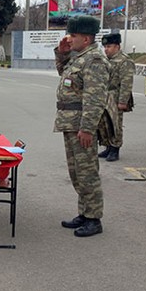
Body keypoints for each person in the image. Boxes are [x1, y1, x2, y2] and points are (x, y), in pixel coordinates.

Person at [53, 16, 110, 238]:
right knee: (77, 172)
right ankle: (85, 213)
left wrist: (87, 128)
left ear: (86, 39)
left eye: (74, 36)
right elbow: (64, 74)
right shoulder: (80, 57)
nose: (70, 38)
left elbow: (94, 98)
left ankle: (94, 219)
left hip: (81, 125)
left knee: (87, 172)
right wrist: (63, 52)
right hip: (70, 122)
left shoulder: (94, 60)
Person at [99, 33, 135, 162]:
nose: (106, 49)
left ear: (117, 46)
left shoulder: (125, 61)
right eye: (105, 47)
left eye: (109, 46)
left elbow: (126, 83)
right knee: (105, 123)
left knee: (116, 124)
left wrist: (122, 101)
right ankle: (108, 146)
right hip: (105, 96)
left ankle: (115, 149)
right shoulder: (107, 60)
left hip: (116, 97)